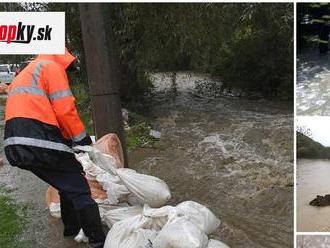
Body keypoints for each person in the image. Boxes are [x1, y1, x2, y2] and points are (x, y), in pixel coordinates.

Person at [3, 48, 106, 247]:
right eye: (69, 69)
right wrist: (82, 139)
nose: (67, 73)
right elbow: (65, 110)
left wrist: (68, 141)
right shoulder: (51, 67)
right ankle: (99, 241)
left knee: (65, 184)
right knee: (80, 188)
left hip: (15, 144)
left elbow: (43, 112)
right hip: (38, 140)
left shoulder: (26, 72)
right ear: (65, 60)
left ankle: (71, 232)